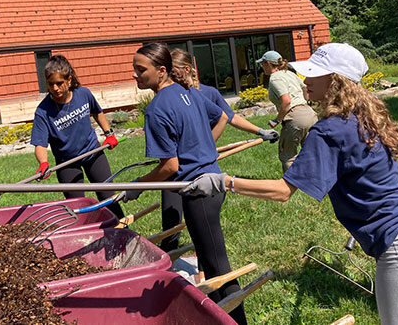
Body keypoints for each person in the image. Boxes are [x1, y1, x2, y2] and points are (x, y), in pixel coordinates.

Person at [182, 43, 398, 324]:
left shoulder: (329, 130)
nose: (306, 80)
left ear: (336, 81)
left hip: (396, 243)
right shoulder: (367, 117)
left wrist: (223, 182)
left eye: (314, 74)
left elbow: (282, 192)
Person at [123, 42, 247, 324]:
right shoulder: (186, 92)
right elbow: (220, 116)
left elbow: (170, 166)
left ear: (162, 70)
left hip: (198, 193)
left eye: (140, 70)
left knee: (217, 267)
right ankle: (215, 315)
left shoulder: (156, 110)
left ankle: (236, 319)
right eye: (134, 69)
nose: (135, 75)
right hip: (214, 183)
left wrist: (138, 185)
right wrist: (202, 147)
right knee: (207, 258)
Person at [159, 47, 278, 255]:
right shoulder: (169, 98)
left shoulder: (207, 93)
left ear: (185, 70)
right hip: (175, 168)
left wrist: (260, 130)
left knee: (203, 224)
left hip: (199, 169)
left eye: (173, 70)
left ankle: (204, 266)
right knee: (171, 216)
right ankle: (168, 257)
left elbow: (228, 117)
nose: (169, 75)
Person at [30, 54, 124, 219]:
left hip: (92, 153)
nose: (56, 88)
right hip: (67, 162)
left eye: (59, 83)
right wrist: (43, 163)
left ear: (69, 80)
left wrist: (108, 134)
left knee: (109, 197)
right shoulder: (43, 111)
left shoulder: (83, 94)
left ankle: (121, 230)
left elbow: (97, 112)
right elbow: (40, 144)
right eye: (51, 84)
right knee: (78, 207)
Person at [257, 50, 317, 172]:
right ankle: (316, 179)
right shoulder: (289, 73)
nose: (261, 67)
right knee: (311, 151)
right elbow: (305, 88)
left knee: (288, 155)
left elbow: (286, 101)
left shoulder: (275, 78)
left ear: (268, 63)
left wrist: (277, 120)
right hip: (310, 114)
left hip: (296, 117)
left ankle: (290, 186)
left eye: (262, 64)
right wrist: (304, 102)